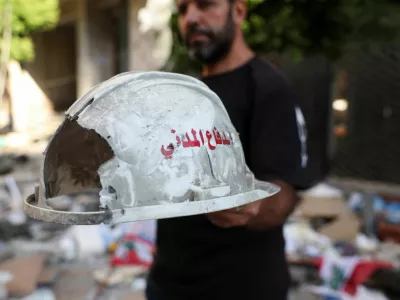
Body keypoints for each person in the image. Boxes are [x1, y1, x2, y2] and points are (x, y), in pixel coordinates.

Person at [146, 0, 308, 299]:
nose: (191, 18)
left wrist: (248, 204)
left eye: (206, 4)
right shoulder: (188, 92)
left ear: (239, 11)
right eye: (182, 10)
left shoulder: (268, 89)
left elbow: (283, 196)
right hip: (168, 284)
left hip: (238, 287)